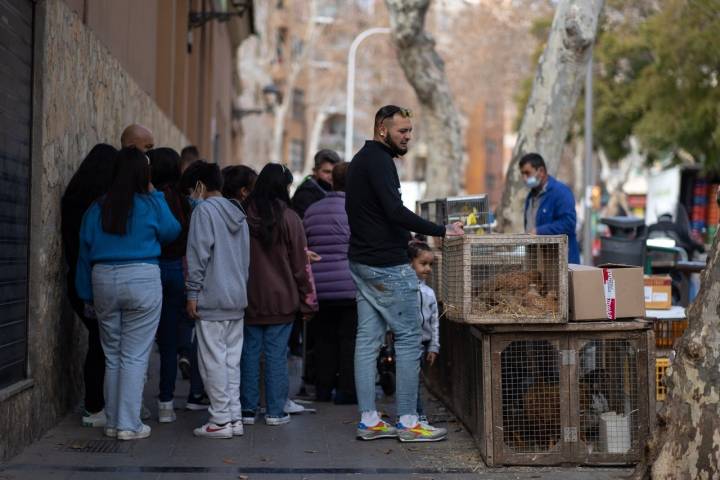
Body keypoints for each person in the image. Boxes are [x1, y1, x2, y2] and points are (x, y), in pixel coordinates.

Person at [345, 105, 462, 443]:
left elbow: (377, 214)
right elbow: (394, 211)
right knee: (410, 338)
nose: (408, 137)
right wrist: (439, 230)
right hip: (385, 266)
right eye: (402, 131)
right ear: (383, 129)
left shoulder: (361, 161)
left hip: (363, 262)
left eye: (410, 131)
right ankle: (409, 421)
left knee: (367, 342)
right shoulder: (379, 161)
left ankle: (369, 420)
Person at [76, 147, 181, 440]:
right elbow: (172, 230)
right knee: (135, 355)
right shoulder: (150, 203)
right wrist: (156, 194)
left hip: (103, 280)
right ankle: (128, 424)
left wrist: (86, 294)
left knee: (113, 354)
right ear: (143, 175)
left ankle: (113, 421)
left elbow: (85, 253)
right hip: (141, 278)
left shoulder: (96, 207)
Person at [241, 163, 316, 427]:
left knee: (249, 353)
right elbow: (300, 265)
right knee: (276, 354)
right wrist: (308, 300)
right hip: (283, 298)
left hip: (248, 297)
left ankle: (247, 410)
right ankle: (275, 411)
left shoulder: (243, 216)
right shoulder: (289, 218)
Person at [185, 161, 250, 439]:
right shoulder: (239, 213)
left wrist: (192, 292)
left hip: (212, 296)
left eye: (192, 189)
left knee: (212, 360)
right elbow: (246, 260)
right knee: (231, 362)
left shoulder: (204, 212)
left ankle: (220, 420)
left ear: (200, 186)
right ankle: (233, 417)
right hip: (236, 297)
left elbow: (198, 256)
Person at [61, 143, 118, 428]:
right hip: (98, 282)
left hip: (78, 282)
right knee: (103, 345)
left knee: (99, 342)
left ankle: (97, 405)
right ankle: (97, 405)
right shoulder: (101, 208)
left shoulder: (74, 199)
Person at [303, 162, 357, 404]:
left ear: (332, 181)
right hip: (350, 285)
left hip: (321, 287)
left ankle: (323, 390)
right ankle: (346, 391)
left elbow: (306, 244)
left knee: (323, 340)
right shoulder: (356, 209)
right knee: (349, 340)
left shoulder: (313, 210)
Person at [148, 148, 192, 424]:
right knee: (168, 342)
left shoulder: (151, 200)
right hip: (177, 271)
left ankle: (131, 406)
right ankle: (166, 403)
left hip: (151, 267)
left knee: (137, 342)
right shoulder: (185, 201)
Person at [519, 153, 580, 263]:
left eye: (527, 173)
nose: (524, 178)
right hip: (539, 262)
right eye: (522, 174)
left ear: (541, 171)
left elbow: (569, 223)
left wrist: (539, 231)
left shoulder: (561, 192)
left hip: (562, 263)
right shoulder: (531, 196)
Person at [407, 240, 440, 427]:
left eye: (430, 265)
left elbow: (435, 321)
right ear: (410, 263)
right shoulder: (404, 290)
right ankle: (416, 415)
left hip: (424, 343)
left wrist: (434, 346)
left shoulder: (429, 293)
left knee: (416, 382)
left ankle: (415, 414)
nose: (428, 269)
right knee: (411, 382)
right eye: (423, 263)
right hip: (407, 343)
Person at [291, 149, 341, 219]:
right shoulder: (305, 194)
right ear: (315, 171)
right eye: (327, 172)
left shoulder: (335, 190)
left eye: (334, 172)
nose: (331, 176)